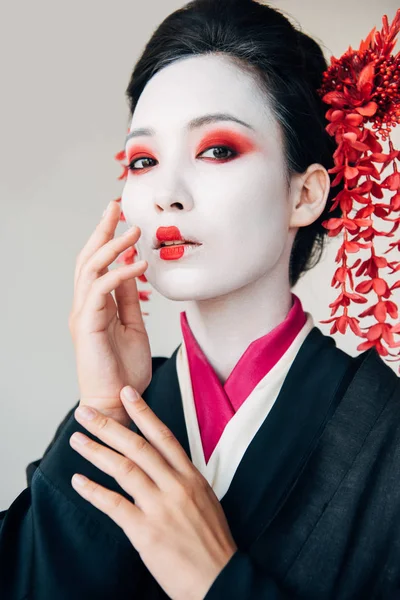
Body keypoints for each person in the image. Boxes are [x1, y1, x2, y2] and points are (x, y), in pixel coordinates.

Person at [1, 0, 400, 598]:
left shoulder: (384, 432)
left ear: (307, 194)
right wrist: (108, 417)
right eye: (144, 160)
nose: (167, 193)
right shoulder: (121, 409)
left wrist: (216, 580)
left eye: (217, 150)